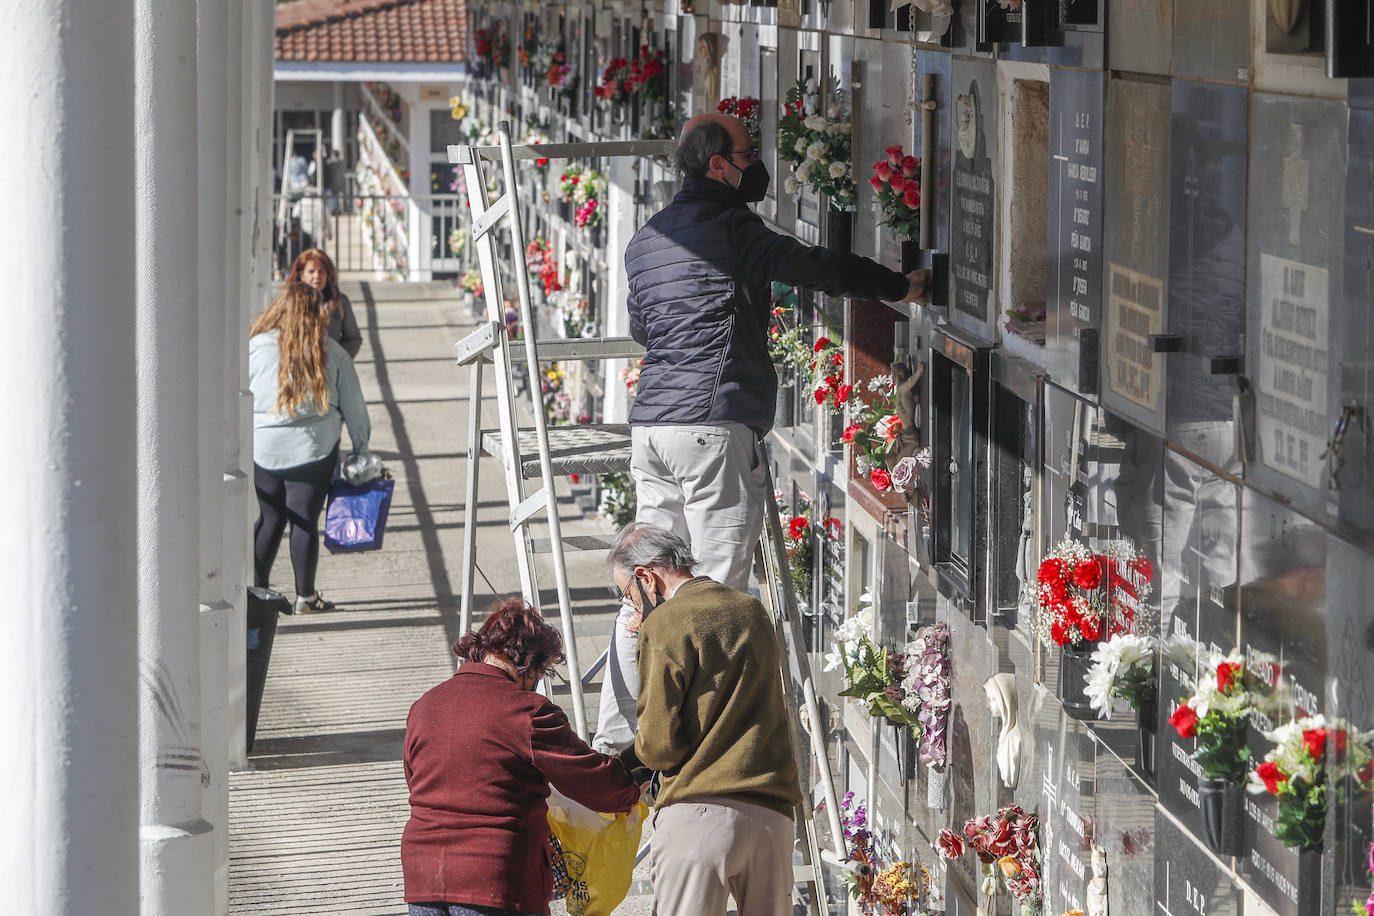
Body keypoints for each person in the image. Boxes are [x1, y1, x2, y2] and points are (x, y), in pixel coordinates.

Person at [595, 112, 929, 752]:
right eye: (749, 152)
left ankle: (616, 736)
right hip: (712, 427)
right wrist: (898, 286)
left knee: (644, 585)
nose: (757, 162)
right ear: (719, 166)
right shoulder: (733, 228)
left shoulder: (644, 241)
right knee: (717, 592)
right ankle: (705, 747)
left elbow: (643, 328)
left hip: (652, 431)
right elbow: (815, 266)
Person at [402, 598, 642, 916]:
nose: (538, 683)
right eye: (541, 672)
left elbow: (415, 781)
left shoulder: (424, 706)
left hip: (423, 875)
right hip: (496, 879)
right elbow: (593, 781)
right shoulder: (527, 711)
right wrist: (632, 786)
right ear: (528, 664)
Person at [608, 524, 802, 916]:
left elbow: (660, 744)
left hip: (699, 813)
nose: (633, 608)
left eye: (627, 595)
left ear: (646, 576)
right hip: (772, 816)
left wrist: (630, 760)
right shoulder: (751, 610)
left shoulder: (666, 623)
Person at [249, 282, 371, 613]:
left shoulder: (254, 347)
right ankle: (306, 596)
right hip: (314, 449)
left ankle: (256, 591)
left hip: (264, 448)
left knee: (270, 518)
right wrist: (361, 447)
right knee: (304, 521)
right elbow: (355, 407)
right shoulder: (331, 352)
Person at [285, 248, 363, 358]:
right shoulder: (288, 302)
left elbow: (353, 339)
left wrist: (337, 360)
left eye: (321, 271)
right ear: (301, 275)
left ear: (328, 274)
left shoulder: (340, 302)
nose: (317, 276)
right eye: (311, 271)